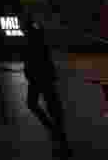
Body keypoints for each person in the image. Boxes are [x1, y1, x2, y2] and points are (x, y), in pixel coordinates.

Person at [22, 17, 71, 156]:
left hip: (38, 78)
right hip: (44, 77)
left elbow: (32, 59)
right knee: (52, 107)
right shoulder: (37, 37)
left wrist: (29, 72)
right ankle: (59, 136)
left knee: (35, 104)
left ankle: (56, 134)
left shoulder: (31, 39)